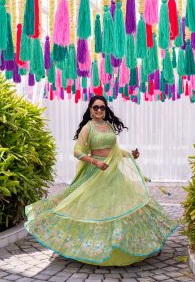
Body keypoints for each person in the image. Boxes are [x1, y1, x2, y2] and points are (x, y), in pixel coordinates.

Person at [25, 95, 178, 266]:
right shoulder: (87, 128)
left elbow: (115, 150)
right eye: (95, 107)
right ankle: (91, 248)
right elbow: (77, 151)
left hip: (112, 171)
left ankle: (121, 247)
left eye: (102, 107)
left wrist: (131, 155)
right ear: (90, 110)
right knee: (91, 207)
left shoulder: (109, 126)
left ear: (106, 110)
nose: (99, 110)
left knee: (117, 206)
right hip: (95, 172)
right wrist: (95, 162)